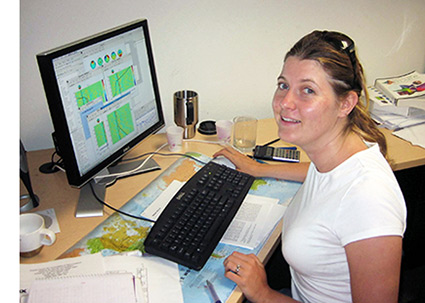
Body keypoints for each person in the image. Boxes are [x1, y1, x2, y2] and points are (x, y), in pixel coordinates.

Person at [214, 31, 406, 303]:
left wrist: (263, 294)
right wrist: (259, 169)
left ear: (346, 103)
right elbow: (325, 178)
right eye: (283, 85)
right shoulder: (338, 152)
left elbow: (347, 195)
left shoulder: (368, 199)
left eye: (308, 90)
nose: (285, 103)